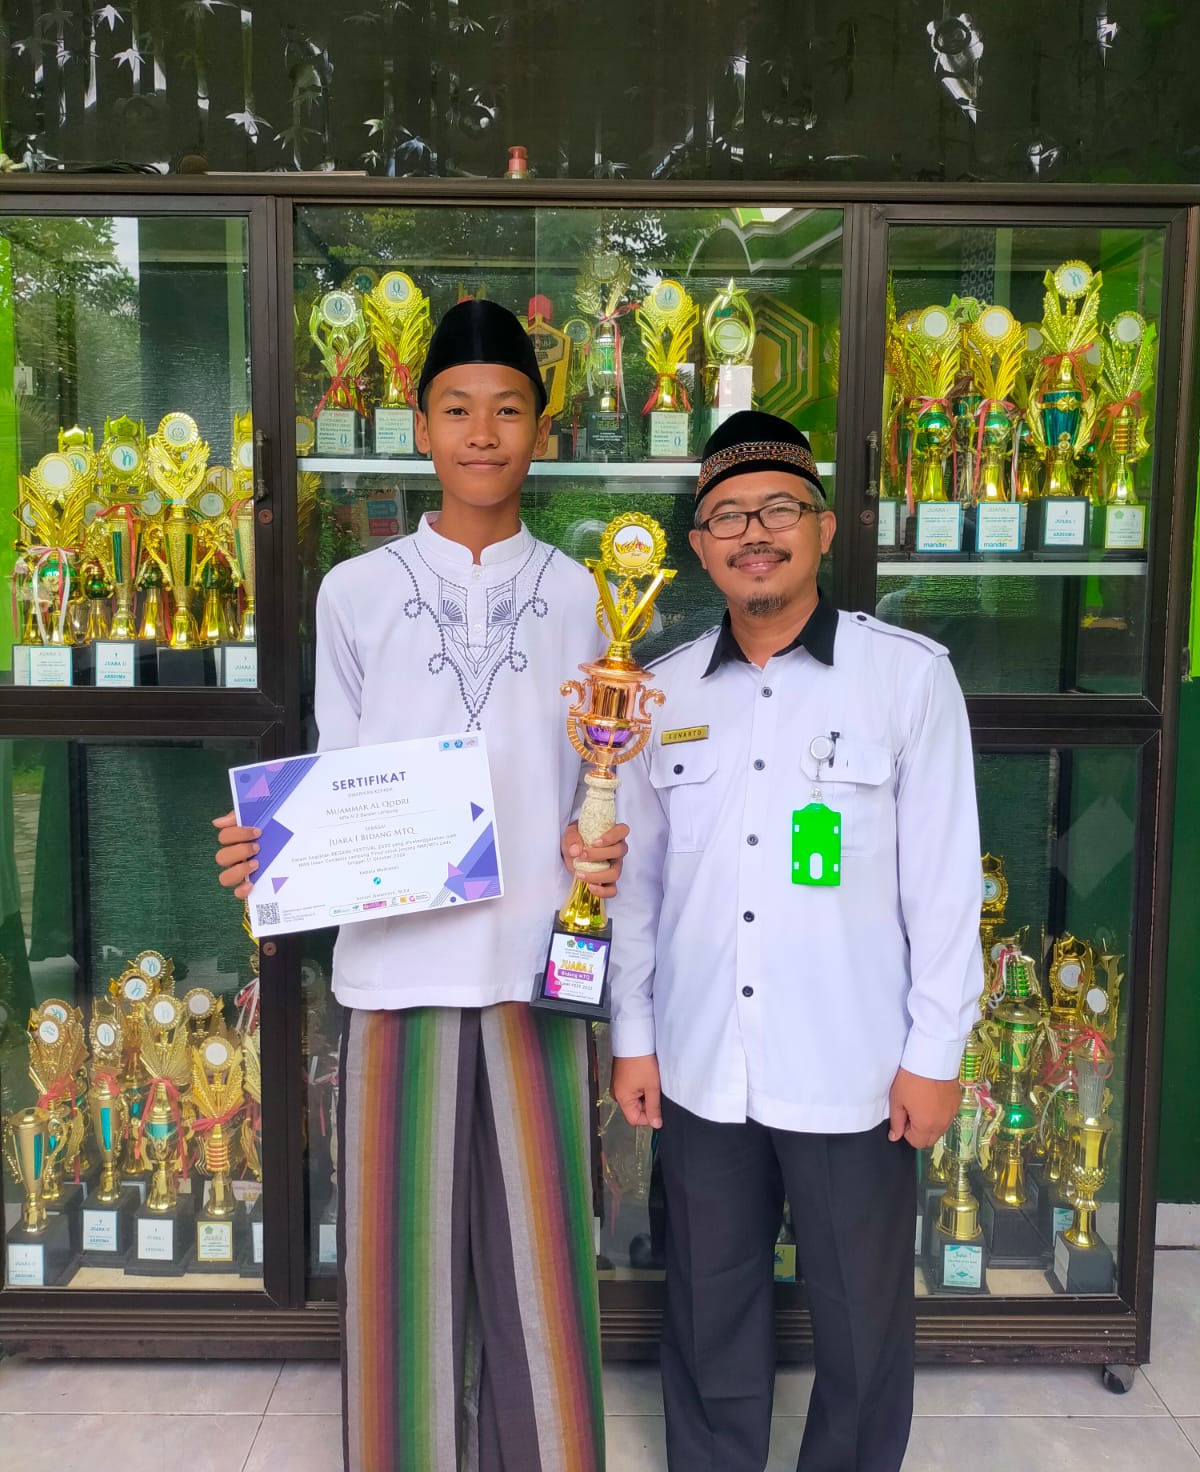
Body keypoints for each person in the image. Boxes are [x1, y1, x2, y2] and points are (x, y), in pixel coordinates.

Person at [212, 299, 626, 1472]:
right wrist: (274, 849)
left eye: (508, 409)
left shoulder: (588, 595)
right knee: (400, 1278)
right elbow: (344, 776)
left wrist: (603, 845)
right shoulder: (355, 589)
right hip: (394, 977)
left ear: (542, 428)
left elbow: (602, 784)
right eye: (457, 408)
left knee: (545, 1272)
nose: (482, 433)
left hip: (535, 972)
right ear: (421, 423)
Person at [609, 409, 983, 1472]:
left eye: (779, 508)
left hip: (854, 1069)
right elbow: (637, 884)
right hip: (702, 1066)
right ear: (700, 547)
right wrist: (633, 1035)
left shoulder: (906, 677)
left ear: (823, 527)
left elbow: (946, 883)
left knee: (862, 1325)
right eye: (728, 516)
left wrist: (936, 1052)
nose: (754, 533)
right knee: (708, 1310)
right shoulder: (663, 692)